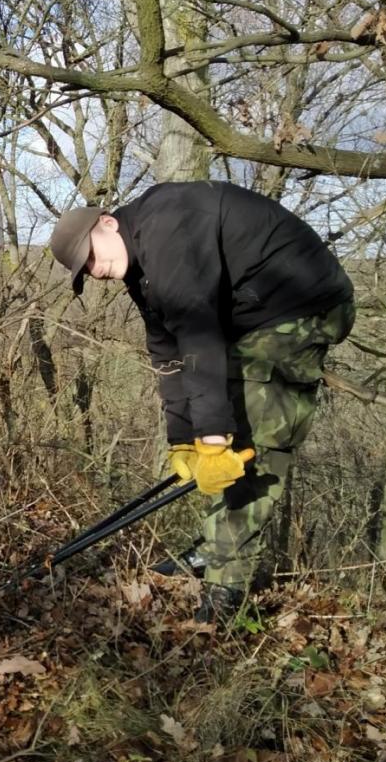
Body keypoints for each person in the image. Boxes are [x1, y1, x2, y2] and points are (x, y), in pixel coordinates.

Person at [48, 181, 354, 622]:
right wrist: (183, 439)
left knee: (251, 430)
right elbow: (167, 352)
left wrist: (211, 437)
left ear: (108, 222)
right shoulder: (142, 270)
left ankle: (226, 588)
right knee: (223, 418)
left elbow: (198, 336)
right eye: (84, 269)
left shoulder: (165, 226)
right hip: (253, 318)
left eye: (91, 255)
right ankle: (214, 549)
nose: (94, 270)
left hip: (302, 306)